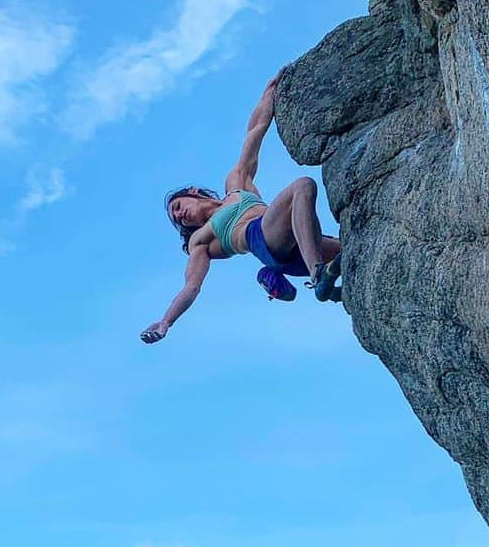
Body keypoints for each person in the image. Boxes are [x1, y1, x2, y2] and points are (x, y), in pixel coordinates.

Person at [140, 73, 342, 344]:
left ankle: (280, 276)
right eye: (177, 219)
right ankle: (316, 274)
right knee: (303, 186)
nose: (179, 215)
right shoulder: (201, 240)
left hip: (301, 245)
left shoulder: (237, 186)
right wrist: (166, 322)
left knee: (355, 250)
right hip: (262, 238)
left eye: (177, 207)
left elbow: (254, 133)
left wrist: (268, 93)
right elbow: (192, 285)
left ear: (192, 193)